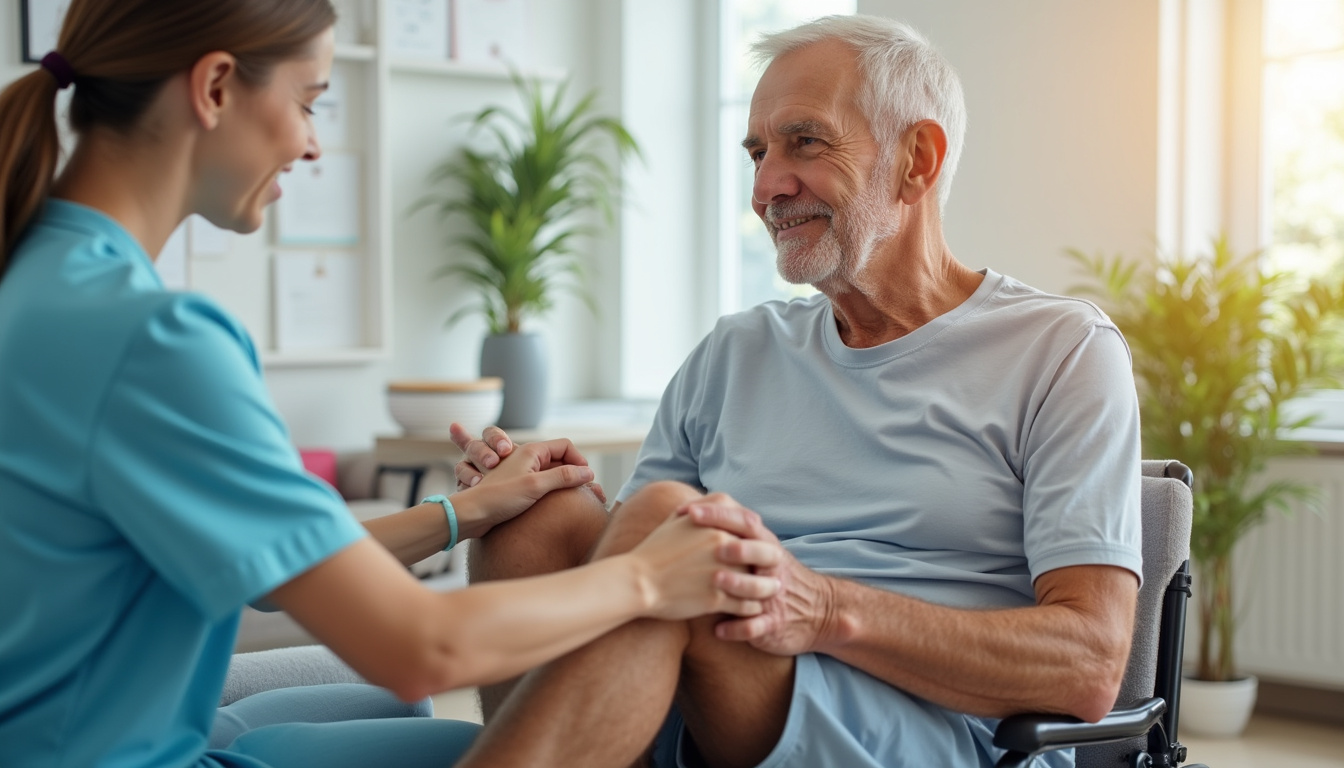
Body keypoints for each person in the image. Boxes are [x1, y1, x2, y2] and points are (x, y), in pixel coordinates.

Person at [0, 2, 783, 766]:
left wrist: (462, 514)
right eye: (309, 102)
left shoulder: (38, 279)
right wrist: (647, 579)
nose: (311, 144)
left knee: (412, 720)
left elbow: (278, 575)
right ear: (214, 88)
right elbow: (421, 649)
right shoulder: (154, 342)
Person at [446, 14, 1144, 768]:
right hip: (714, 687)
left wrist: (825, 610)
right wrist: (521, 491)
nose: (765, 189)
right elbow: (629, 562)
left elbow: (1088, 664)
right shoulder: (736, 351)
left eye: (804, 142)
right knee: (540, 512)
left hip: (933, 727)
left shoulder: (1061, 349)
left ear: (917, 160)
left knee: (687, 539)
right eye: (757, 152)